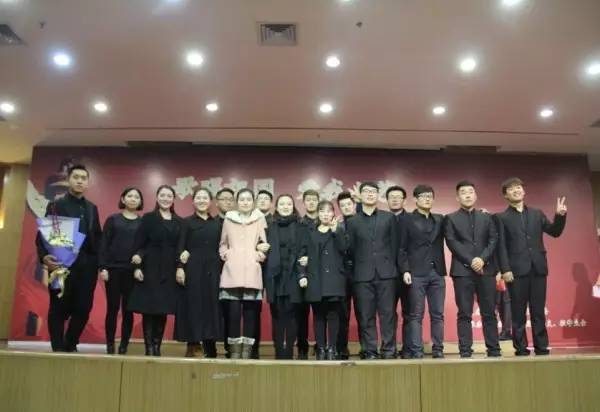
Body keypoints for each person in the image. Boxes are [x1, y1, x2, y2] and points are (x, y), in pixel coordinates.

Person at [496, 177, 567, 356]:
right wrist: (505, 269)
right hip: (515, 271)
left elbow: (555, 232)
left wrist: (560, 215)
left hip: (538, 268)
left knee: (538, 311)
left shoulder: (537, 213)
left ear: (524, 191)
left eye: (519, 187)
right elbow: (501, 246)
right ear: (506, 195)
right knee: (518, 313)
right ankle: (521, 348)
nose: (516, 190)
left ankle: (541, 347)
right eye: (511, 189)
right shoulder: (501, 218)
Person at [36, 164, 102, 352]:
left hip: (87, 266)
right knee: (58, 307)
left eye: (83, 178)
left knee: (83, 308)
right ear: (69, 180)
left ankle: (70, 344)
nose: (80, 181)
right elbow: (44, 235)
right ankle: (58, 349)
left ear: (87, 183)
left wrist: (100, 263)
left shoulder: (92, 208)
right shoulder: (56, 205)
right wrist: (44, 257)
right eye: (76, 177)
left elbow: (98, 237)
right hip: (61, 265)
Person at [444, 181, 501, 358]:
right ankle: (465, 350)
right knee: (464, 313)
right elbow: (452, 242)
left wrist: (482, 259)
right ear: (457, 197)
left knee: (489, 312)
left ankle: (494, 349)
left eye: (470, 192)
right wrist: (471, 261)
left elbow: (493, 240)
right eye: (463, 192)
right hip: (462, 272)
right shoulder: (450, 218)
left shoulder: (487, 217)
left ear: (475, 196)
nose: (467, 195)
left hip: (487, 270)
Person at [343, 181, 399, 359]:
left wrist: (393, 267)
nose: (369, 194)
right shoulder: (352, 221)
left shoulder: (389, 217)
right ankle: (369, 350)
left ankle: (389, 350)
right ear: (360, 195)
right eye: (366, 191)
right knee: (365, 316)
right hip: (362, 275)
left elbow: (395, 245)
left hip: (387, 274)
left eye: (373, 191)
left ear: (378, 195)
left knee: (388, 314)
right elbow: (350, 249)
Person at [128, 185, 182, 356]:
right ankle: (149, 347)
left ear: (173, 199)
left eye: (169, 196)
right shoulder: (149, 218)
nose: (166, 198)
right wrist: (137, 267)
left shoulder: (179, 221)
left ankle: (157, 345)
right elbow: (139, 244)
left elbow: (181, 247)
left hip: (170, 269)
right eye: (162, 195)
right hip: (150, 267)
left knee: (162, 309)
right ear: (157, 197)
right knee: (149, 309)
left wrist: (180, 267)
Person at [398, 184, 446, 359]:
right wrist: (405, 270)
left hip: (437, 272)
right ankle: (416, 350)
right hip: (416, 273)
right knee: (416, 315)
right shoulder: (407, 220)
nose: (427, 199)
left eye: (430, 196)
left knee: (438, 314)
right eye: (423, 196)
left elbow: (457, 227)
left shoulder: (440, 219)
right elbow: (402, 248)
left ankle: (438, 348)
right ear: (415, 199)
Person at [219, 188, 268, 359]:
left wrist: (258, 256)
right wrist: (227, 255)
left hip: (251, 271)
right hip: (232, 271)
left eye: (248, 199)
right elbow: (223, 243)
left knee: (250, 315)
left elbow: (263, 243)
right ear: (237, 202)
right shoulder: (229, 219)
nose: (245, 202)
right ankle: (234, 352)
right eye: (242, 199)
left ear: (253, 202)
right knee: (232, 315)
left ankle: (247, 352)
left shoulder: (259, 219)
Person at [174, 187, 223, 358]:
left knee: (211, 305)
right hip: (193, 268)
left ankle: (210, 346)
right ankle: (193, 344)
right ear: (193, 201)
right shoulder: (186, 222)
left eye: (205, 198)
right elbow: (180, 247)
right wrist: (180, 267)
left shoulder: (217, 223)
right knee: (193, 304)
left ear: (211, 202)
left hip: (213, 269)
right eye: (198, 198)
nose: (202, 201)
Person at [98, 187, 144, 355]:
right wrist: (103, 267)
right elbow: (104, 244)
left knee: (128, 311)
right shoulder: (113, 220)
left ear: (140, 201)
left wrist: (139, 262)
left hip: (132, 272)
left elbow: (144, 247)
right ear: (123, 199)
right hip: (113, 271)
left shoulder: (142, 223)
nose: (133, 199)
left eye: (136, 197)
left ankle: (124, 344)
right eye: (129, 196)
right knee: (112, 309)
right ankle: (110, 344)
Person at [263, 194, 309, 359]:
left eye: (288, 204)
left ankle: (289, 351)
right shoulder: (268, 226)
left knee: (292, 315)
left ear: (293, 206)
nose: (285, 206)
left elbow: (305, 249)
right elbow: (260, 246)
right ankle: (279, 352)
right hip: (274, 275)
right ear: (276, 207)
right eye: (282, 204)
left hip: (293, 275)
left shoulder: (301, 226)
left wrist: (305, 264)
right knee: (277, 315)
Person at [304, 201, 347, 360]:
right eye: (322, 211)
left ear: (334, 213)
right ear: (318, 214)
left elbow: (344, 249)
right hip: (316, 279)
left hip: (334, 279)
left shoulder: (339, 230)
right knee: (318, 315)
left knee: (333, 314)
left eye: (329, 211)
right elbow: (305, 253)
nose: (325, 214)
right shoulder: (311, 232)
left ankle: (332, 348)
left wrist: (336, 231)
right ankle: (321, 348)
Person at [385, 185, 410, 358]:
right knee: (388, 313)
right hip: (387, 274)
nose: (395, 199)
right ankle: (390, 348)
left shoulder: (412, 219)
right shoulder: (382, 219)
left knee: (409, 313)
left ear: (404, 200)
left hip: (408, 273)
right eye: (391, 197)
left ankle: (408, 348)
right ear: (387, 200)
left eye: (398, 197)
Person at [296, 189, 320, 359]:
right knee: (301, 314)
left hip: (320, 275)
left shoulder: (325, 222)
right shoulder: (298, 224)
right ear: (303, 203)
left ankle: (321, 345)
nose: (311, 202)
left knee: (320, 313)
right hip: (302, 274)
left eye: (314, 199)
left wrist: (310, 259)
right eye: (308, 200)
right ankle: (302, 347)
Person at [335, 191, 357, 359]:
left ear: (354, 204)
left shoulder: (363, 222)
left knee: (364, 314)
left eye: (349, 204)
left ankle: (367, 348)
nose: (346, 207)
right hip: (342, 274)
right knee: (342, 314)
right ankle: (341, 348)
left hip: (361, 273)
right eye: (342, 205)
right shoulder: (338, 226)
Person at [215, 187, 235, 356]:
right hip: (212, 272)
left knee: (231, 312)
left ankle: (230, 347)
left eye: (230, 199)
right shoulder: (211, 222)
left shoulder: (237, 222)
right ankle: (209, 348)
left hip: (233, 274)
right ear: (217, 202)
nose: (227, 202)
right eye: (224, 199)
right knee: (211, 310)